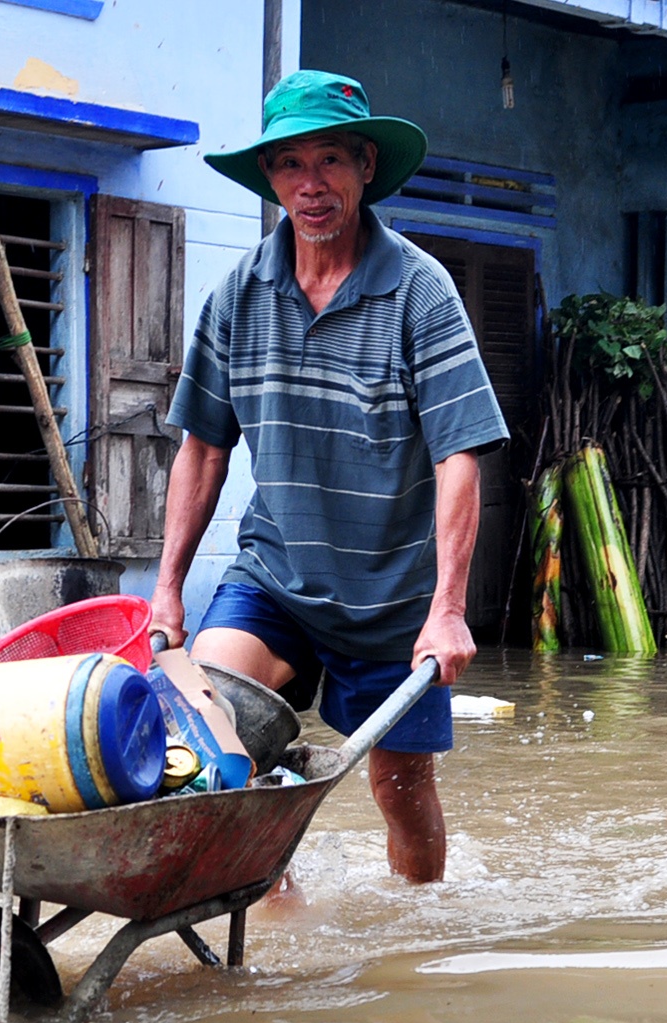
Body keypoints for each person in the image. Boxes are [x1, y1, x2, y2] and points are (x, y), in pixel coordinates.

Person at [149, 70, 508, 884]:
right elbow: (203, 447)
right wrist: (168, 586)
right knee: (213, 725)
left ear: (366, 166)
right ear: (270, 178)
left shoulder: (421, 292)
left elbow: (460, 456)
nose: (309, 187)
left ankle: (416, 938)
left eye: (330, 162)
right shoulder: (238, 295)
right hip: (276, 574)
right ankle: (278, 921)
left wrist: (447, 611)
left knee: (400, 784)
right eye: (288, 166)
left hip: (391, 600)